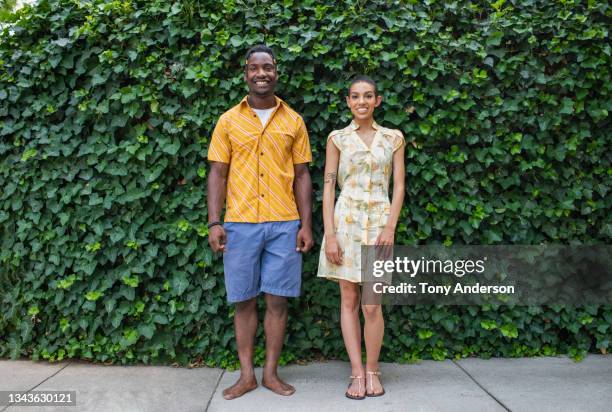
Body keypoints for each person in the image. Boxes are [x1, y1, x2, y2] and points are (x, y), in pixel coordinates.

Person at [206, 44, 314, 400]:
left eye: (268, 67)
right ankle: (246, 375)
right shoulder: (227, 120)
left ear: (276, 72)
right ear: (246, 74)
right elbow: (218, 173)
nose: (261, 74)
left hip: (284, 223)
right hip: (240, 224)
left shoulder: (293, 120)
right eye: (255, 68)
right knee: (244, 301)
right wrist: (214, 222)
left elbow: (302, 177)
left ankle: (270, 374)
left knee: (278, 301)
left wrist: (306, 225)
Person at [317, 75, 405, 399]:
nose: (362, 102)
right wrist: (330, 234)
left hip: (380, 227)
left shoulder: (393, 138)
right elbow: (328, 186)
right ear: (348, 101)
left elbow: (399, 186)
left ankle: (373, 369)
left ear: (377, 101)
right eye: (356, 97)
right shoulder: (337, 139)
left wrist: (390, 227)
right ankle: (356, 373)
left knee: (371, 305)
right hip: (346, 226)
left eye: (368, 96)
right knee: (349, 299)